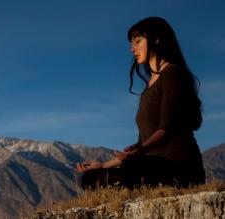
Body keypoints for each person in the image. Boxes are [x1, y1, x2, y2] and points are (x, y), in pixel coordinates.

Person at [76, 17, 206, 189]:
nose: (132, 49)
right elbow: (143, 142)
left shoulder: (172, 75)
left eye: (137, 41)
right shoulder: (150, 85)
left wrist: (139, 150)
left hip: (179, 166)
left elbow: (166, 130)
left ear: (157, 39)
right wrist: (104, 165)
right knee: (90, 178)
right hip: (149, 163)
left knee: (131, 168)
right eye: (131, 43)